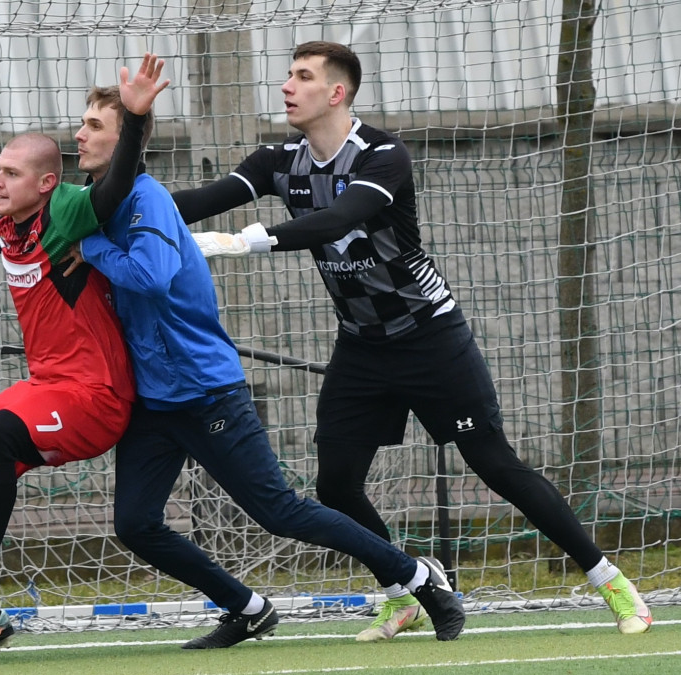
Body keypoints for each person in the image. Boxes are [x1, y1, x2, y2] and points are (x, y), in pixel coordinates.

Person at [177, 41, 653, 640]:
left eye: (302, 77)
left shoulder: (383, 155)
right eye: (288, 75)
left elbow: (336, 221)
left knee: (495, 465)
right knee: (335, 485)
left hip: (430, 336)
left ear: (337, 92)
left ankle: (610, 581)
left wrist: (238, 243)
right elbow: (198, 202)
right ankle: (401, 588)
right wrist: (113, 209)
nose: (287, 87)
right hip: (361, 346)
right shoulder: (278, 160)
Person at [59, 83, 466, 649]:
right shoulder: (91, 203)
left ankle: (420, 580)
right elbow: (42, 227)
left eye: (94, 126)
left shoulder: (147, 198)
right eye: (80, 124)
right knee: (135, 523)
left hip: (205, 391)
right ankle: (246, 608)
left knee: (282, 513)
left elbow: (149, 275)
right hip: (154, 398)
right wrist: (7, 232)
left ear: (125, 137)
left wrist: (95, 250)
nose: (79, 134)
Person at [0, 13, 168, 662]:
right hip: (46, 389)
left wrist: (136, 124)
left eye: (12, 173)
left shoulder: (67, 210)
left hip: (96, 398)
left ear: (47, 184)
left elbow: (119, 184)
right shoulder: (6, 206)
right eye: (0, 170)